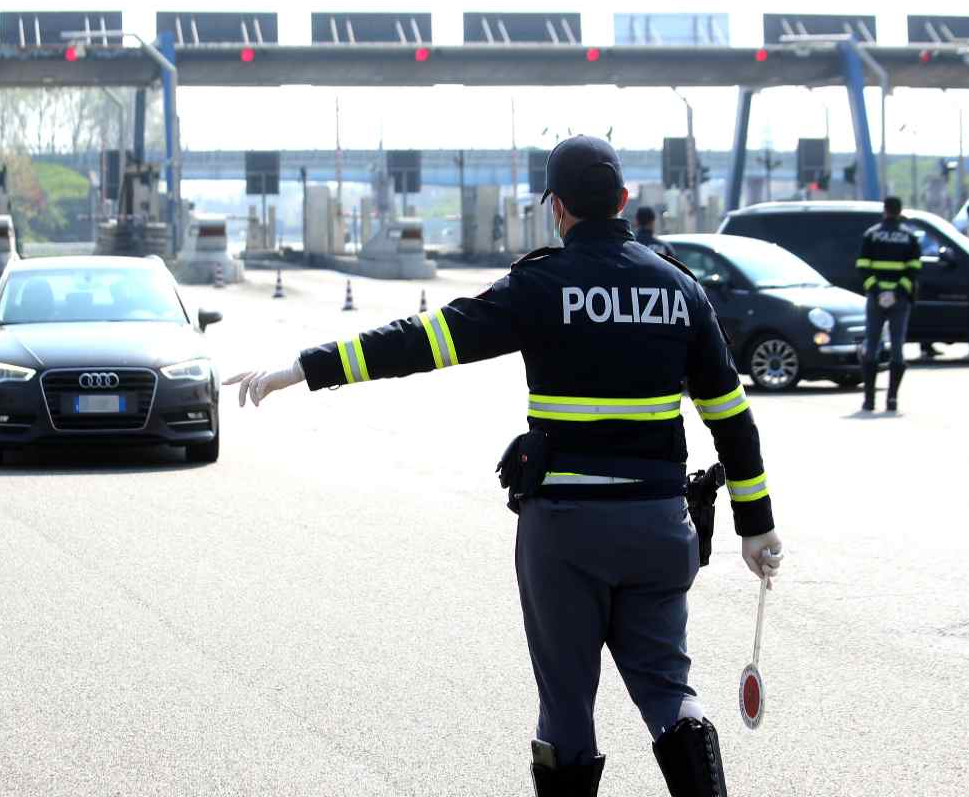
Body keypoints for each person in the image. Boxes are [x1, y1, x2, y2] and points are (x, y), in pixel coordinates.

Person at [225, 135, 784, 797]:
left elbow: (422, 342)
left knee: (567, 705)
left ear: (558, 208)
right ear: (625, 201)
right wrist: (757, 525)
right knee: (669, 690)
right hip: (658, 526)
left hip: (566, 535)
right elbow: (731, 419)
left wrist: (301, 368)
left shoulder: (539, 284)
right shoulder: (680, 289)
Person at [855, 196, 921, 412]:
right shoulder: (910, 237)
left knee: (871, 345)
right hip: (900, 300)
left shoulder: (871, 234)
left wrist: (877, 291)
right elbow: (914, 270)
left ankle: (869, 400)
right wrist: (896, 292)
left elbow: (863, 266)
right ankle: (892, 400)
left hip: (876, 299)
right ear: (900, 211)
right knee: (897, 347)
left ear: (885, 211)